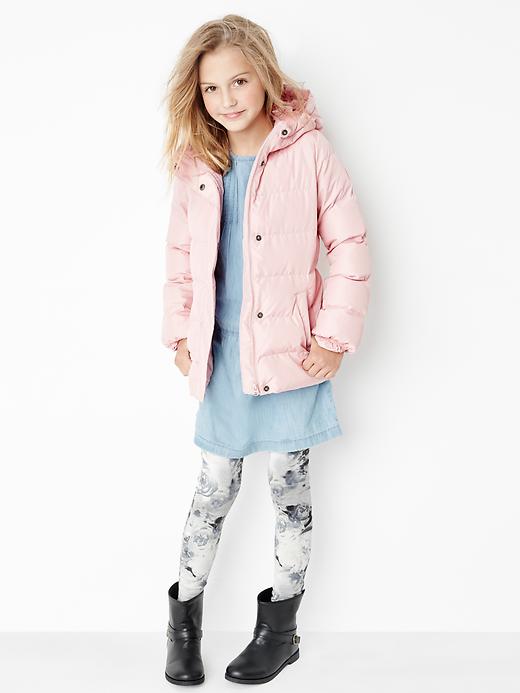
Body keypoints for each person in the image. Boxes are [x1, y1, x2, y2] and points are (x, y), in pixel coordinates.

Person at [160, 14, 371, 686]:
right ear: (198, 95)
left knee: (288, 488)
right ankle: (183, 629)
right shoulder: (198, 164)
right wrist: (179, 336)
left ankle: (279, 633)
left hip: (289, 357)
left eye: (240, 81)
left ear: (265, 76)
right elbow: (180, 260)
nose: (228, 99)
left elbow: (349, 244)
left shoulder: (308, 151)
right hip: (223, 358)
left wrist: (332, 338)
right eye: (212, 88)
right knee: (213, 488)